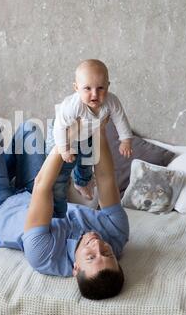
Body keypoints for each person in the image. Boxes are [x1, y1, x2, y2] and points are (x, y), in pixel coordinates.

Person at [0, 117, 129, 300]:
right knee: (29, 129)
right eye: (106, 252)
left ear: (76, 268)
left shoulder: (44, 256)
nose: (97, 245)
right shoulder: (117, 232)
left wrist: (68, 138)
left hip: (0, 208)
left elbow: (43, 185)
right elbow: (105, 177)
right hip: (32, 195)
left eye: (90, 257)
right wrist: (99, 130)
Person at [46, 59, 133, 209]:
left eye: (101, 88)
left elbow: (120, 119)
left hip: (87, 134)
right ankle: (57, 201)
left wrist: (125, 140)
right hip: (62, 132)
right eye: (87, 88)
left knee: (87, 159)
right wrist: (64, 148)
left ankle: (81, 182)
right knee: (60, 167)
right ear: (76, 88)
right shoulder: (73, 106)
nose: (95, 94)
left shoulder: (111, 101)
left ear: (108, 86)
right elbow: (59, 127)